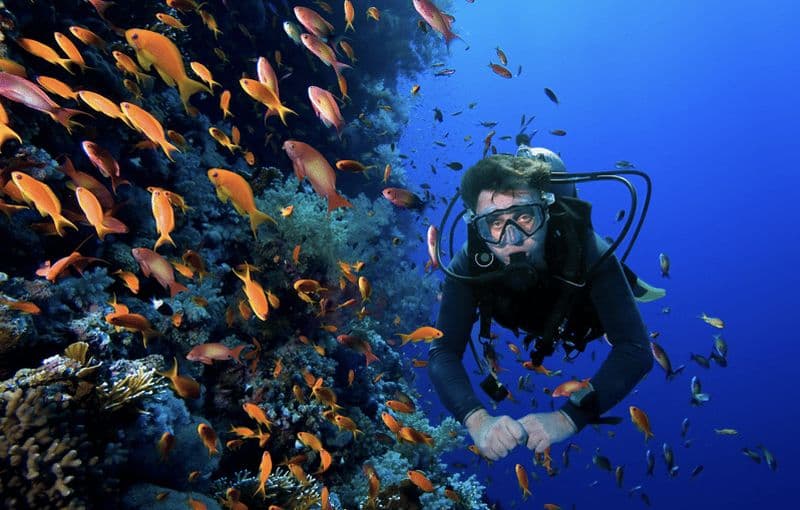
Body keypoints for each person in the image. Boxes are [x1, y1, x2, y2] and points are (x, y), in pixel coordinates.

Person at [427, 148, 664, 461]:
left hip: (582, 317)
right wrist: (477, 420)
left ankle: (619, 297)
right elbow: (442, 352)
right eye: (494, 224)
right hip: (523, 315)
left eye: (525, 217)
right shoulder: (468, 264)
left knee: (613, 325)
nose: (512, 238)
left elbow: (635, 350)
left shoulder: (588, 250)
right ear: (477, 228)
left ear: (546, 212)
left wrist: (567, 418)